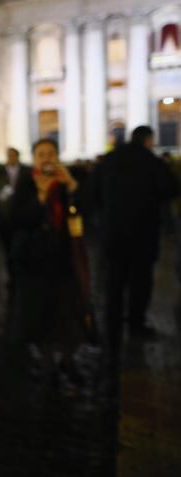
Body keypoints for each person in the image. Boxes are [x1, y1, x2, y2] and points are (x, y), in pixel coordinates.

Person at [91, 126, 178, 349]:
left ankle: (113, 325)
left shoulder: (109, 160)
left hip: (113, 233)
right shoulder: (152, 161)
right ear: (148, 140)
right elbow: (169, 189)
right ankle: (136, 324)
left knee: (114, 281)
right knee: (140, 282)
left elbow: (91, 193)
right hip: (143, 233)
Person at [8, 138, 85, 383]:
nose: (47, 158)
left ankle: (68, 358)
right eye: (41, 154)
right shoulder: (26, 183)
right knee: (40, 314)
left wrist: (72, 186)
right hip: (35, 261)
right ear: (34, 159)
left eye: (51, 153)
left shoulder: (66, 183)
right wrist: (40, 197)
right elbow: (16, 219)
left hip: (64, 259)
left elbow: (87, 212)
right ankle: (48, 363)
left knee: (67, 312)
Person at [0, 147, 30, 300]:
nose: (10, 158)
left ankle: (20, 274)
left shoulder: (26, 172)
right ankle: (12, 274)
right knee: (8, 248)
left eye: (13, 155)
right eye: (9, 155)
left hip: (22, 217)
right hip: (4, 218)